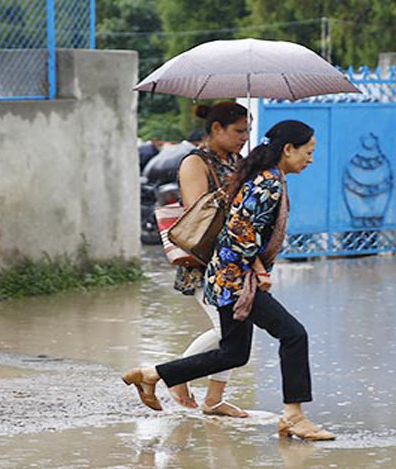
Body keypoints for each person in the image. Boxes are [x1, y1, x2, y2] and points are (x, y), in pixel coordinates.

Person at [123, 120, 336, 441]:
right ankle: (294, 415)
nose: (310, 159)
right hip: (236, 280)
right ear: (288, 149)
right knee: (294, 336)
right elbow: (238, 233)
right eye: (308, 152)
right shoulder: (268, 184)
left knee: (234, 354)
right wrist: (258, 271)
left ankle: (152, 374)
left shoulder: (266, 178)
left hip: (226, 277)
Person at [166, 102, 250, 418]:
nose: (244, 137)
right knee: (226, 330)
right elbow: (198, 211)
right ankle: (176, 375)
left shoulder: (238, 162)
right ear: (216, 129)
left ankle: (213, 400)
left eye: (247, 131)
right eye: (238, 131)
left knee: (237, 326)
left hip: (234, 260)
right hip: (205, 261)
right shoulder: (195, 163)